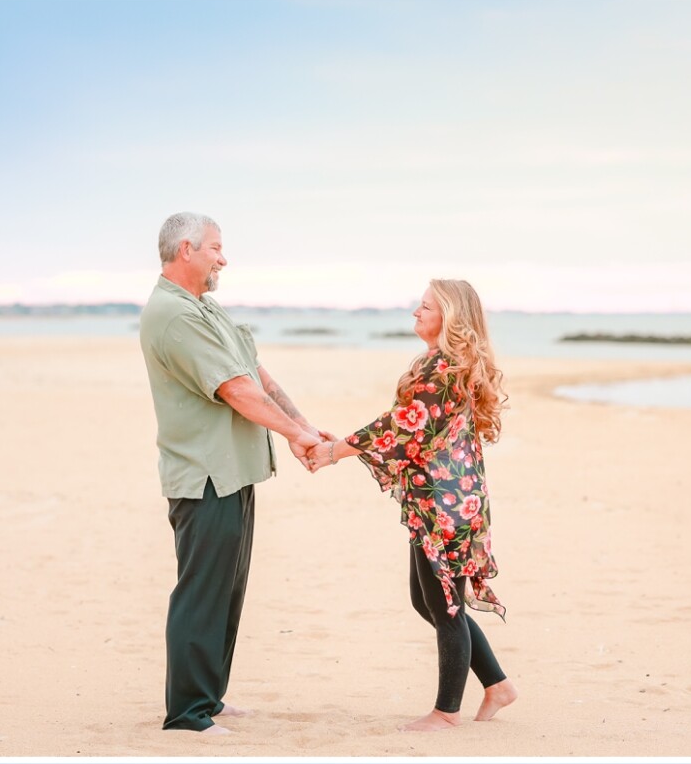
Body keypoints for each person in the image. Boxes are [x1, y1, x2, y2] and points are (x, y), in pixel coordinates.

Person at [140, 214, 330, 735]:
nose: (224, 259)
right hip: (204, 475)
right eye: (216, 248)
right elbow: (235, 390)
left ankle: (209, 697)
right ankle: (187, 713)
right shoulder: (175, 317)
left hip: (233, 472)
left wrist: (304, 427)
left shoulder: (205, 308)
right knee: (201, 592)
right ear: (187, 249)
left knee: (227, 591)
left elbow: (257, 375)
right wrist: (296, 437)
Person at [306, 280, 517, 732]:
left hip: (447, 505)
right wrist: (343, 445)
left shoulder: (445, 367)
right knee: (429, 602)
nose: (415, 313)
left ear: (451, 316)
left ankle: (446, 712)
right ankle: (497, 685)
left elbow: (404, 426)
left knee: (445, 608)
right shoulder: (439, 362)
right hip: (440, 500)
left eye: (425, 307)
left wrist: (337, 450)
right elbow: (409, 429)